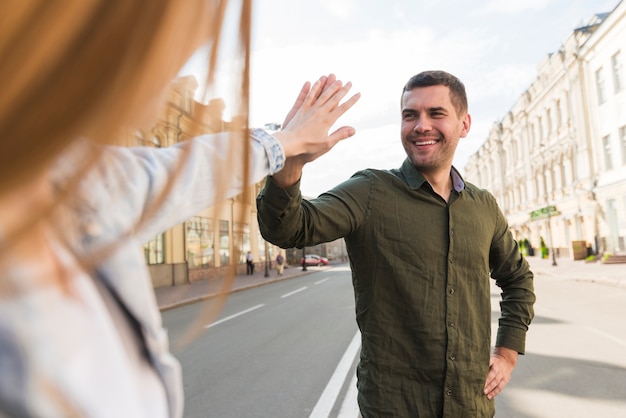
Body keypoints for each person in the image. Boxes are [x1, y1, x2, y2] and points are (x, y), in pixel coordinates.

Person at [0, 2, 360, 417]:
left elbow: (180, 171)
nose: (195, 46)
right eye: (192, 22)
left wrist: (283, 143)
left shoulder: (71, 177)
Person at [257, 70, 536, 417]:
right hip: (394, 407)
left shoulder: (484, 207)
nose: (421, 125)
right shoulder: (370, 191)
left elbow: (518, 279)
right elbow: (289, 229)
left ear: (464, 125)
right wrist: (291, 161)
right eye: (410, 115)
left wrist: (508, 351)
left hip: (471, 405)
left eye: (436, 114)